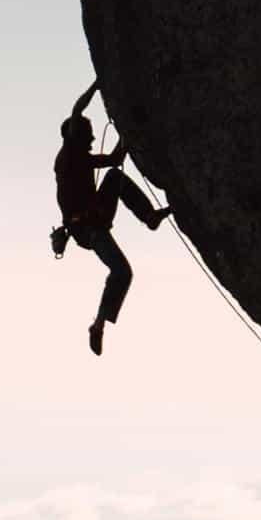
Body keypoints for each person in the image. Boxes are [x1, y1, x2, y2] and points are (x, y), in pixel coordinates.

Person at [54, 81, 170, 355]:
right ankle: (98, 325)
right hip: (87, 229)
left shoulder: (81, 157)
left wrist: (127, 131)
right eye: (90, 135)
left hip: (94, 220)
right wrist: (96, 86)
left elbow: (117, 158)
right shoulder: (70, 155)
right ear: (76, 136)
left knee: (114, 177)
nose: (93, 140)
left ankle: (150, 216)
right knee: (122, 271)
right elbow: (76, 110)